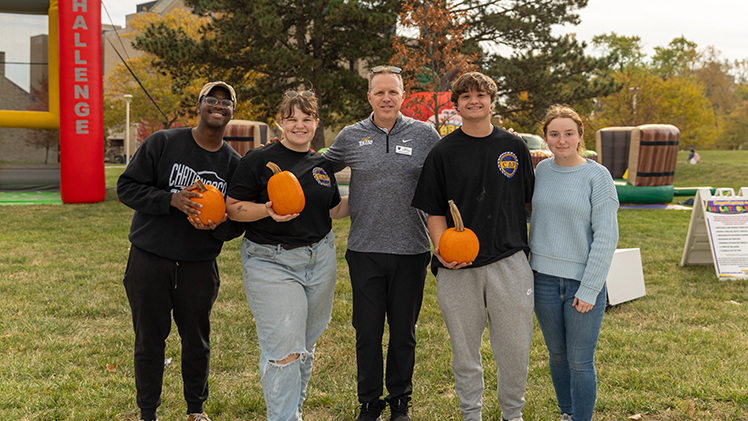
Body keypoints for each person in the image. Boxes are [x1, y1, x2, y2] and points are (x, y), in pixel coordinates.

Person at [411, 72, 535, 421]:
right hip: (458, 266)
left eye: (481, 95)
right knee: (465, 351)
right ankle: (471, 414)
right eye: (465, 96)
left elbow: (530, 202)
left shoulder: (513, 147)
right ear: (457, 104)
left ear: (492, 102)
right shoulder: (443, 152)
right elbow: (433, 210)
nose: (473, 101)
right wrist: (442, 248)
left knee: (514, 348)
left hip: (509, 261)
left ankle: (512, 414)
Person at [117, 81, 244, 421]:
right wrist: (170, 200)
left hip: (198, 265)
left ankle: (195, 409)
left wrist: (217, 227)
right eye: (211, 100)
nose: (218, 106)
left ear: (232, 111)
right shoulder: (163, 142)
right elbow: (126, 187)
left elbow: (237, 222)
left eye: (226, 102)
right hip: (149, 258)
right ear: (199, 105)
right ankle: (148, 413)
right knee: (149, 340)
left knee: (197, 341)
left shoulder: (233, 164)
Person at [323, 65, 441, 421]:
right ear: (369, 97)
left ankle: (400, 400)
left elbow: (450, 171)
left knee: (403, 331)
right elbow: (317, 168)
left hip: (411, 249)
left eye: (393, 92)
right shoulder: (350, 135)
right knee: (367, 331)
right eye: (380, 92)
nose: (386, 98)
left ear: (403, 96)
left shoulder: (425, 134)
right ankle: (370, 402)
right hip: (364, 249)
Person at [225, 90, 349, 421]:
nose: (299, 125)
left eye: (306, 118)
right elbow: (233, 208)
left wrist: (378, 187)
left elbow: (336, 209)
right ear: (280, 122)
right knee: (284, 352)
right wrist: (266, 210)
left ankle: (293, 411)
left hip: (319, 259)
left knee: (304, 348)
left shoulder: (321, 163)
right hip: (271, 261)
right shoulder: (257, 160)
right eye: (292, 118)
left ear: (316, 123)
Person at [529, 105, 619, 421]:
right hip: (543, 281)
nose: (562, 140)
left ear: (580, 136)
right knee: (556, 355)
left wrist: (590, 288)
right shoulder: (541, 172)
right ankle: (566, 413)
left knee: (580, 361)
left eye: (569, 133)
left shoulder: (598, 176)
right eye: (555, 134)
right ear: (545, 137)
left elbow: (606, 237)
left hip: (582, 284)